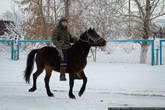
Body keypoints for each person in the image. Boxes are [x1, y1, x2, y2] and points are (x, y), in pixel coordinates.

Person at [52, 17, 77, 81]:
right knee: (64, 57)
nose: (65, 23)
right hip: (61, 47)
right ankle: (62, 75)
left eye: (66, 22)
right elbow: (54, 39)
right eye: (63, 22)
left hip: (68, 46)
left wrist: (73, 39)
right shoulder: (57, 29)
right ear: (60, 23)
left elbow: (69, 39)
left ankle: (75, 74)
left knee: (74, 57)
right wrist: (59, 44)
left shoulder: (66, 30)